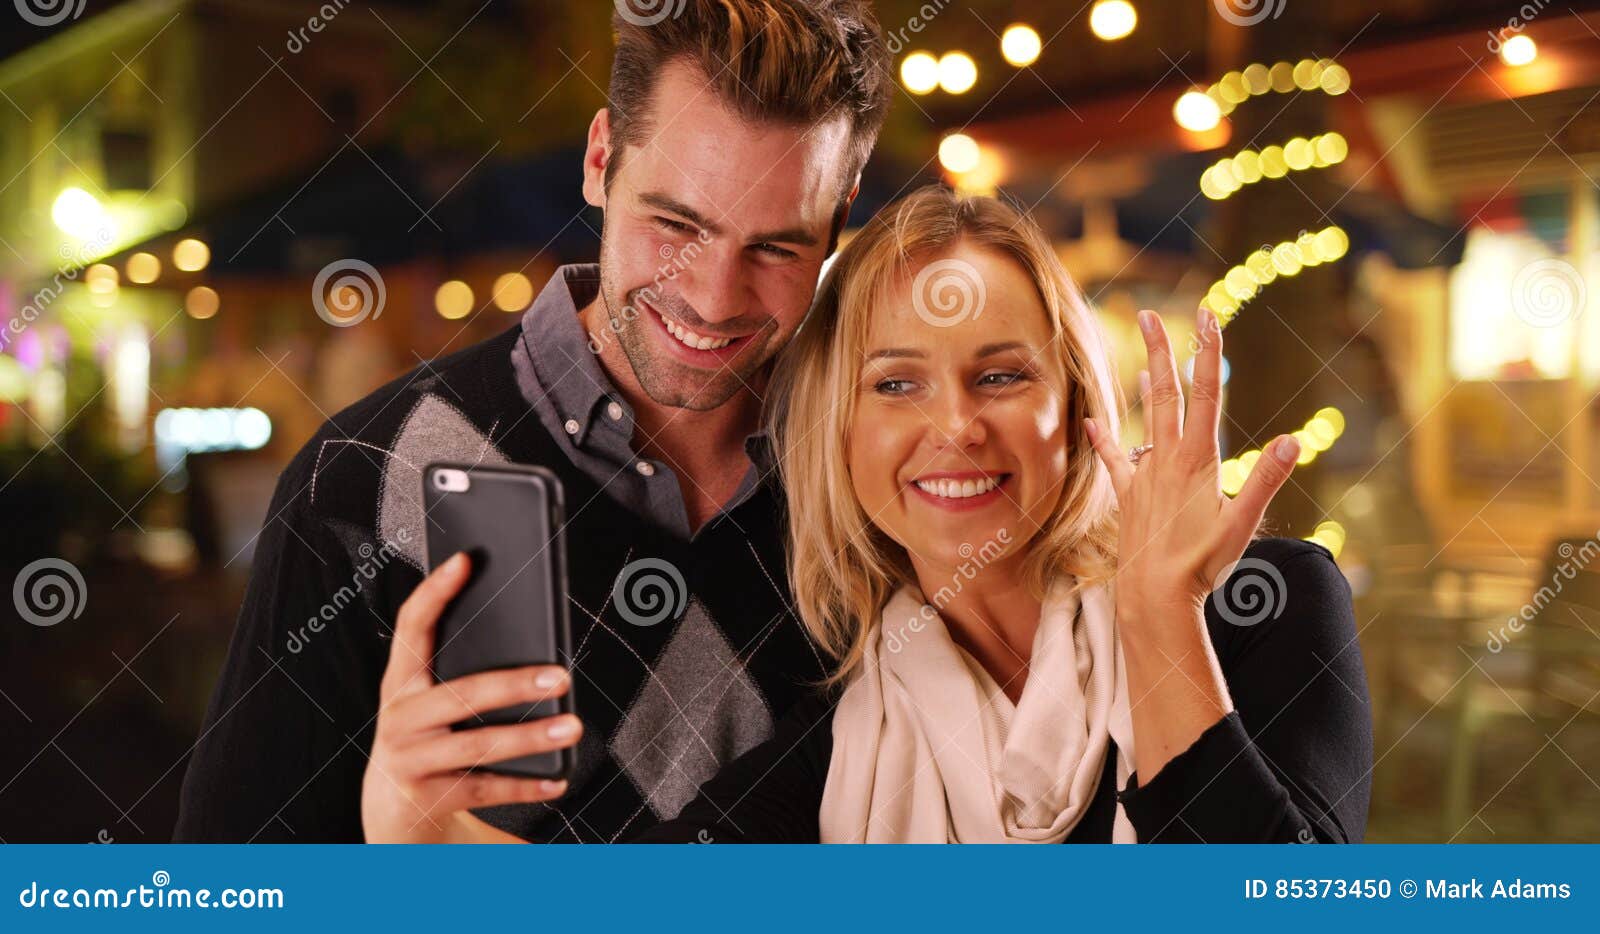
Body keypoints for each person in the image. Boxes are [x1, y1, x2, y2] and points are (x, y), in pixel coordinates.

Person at [173, 0, 893, 843]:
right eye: (675, 223)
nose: (713, 298)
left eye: (775, 248)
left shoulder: (875, 480)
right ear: (600, 160)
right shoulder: (362, 478)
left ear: (838, 219)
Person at [629, 186, 1375, 842]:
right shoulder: (845, 732)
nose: (956, 427)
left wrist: (1160, 614)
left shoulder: (1263, 604)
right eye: (896, 383)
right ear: (839, 429)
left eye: (1000, 375)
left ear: (1078, 403)